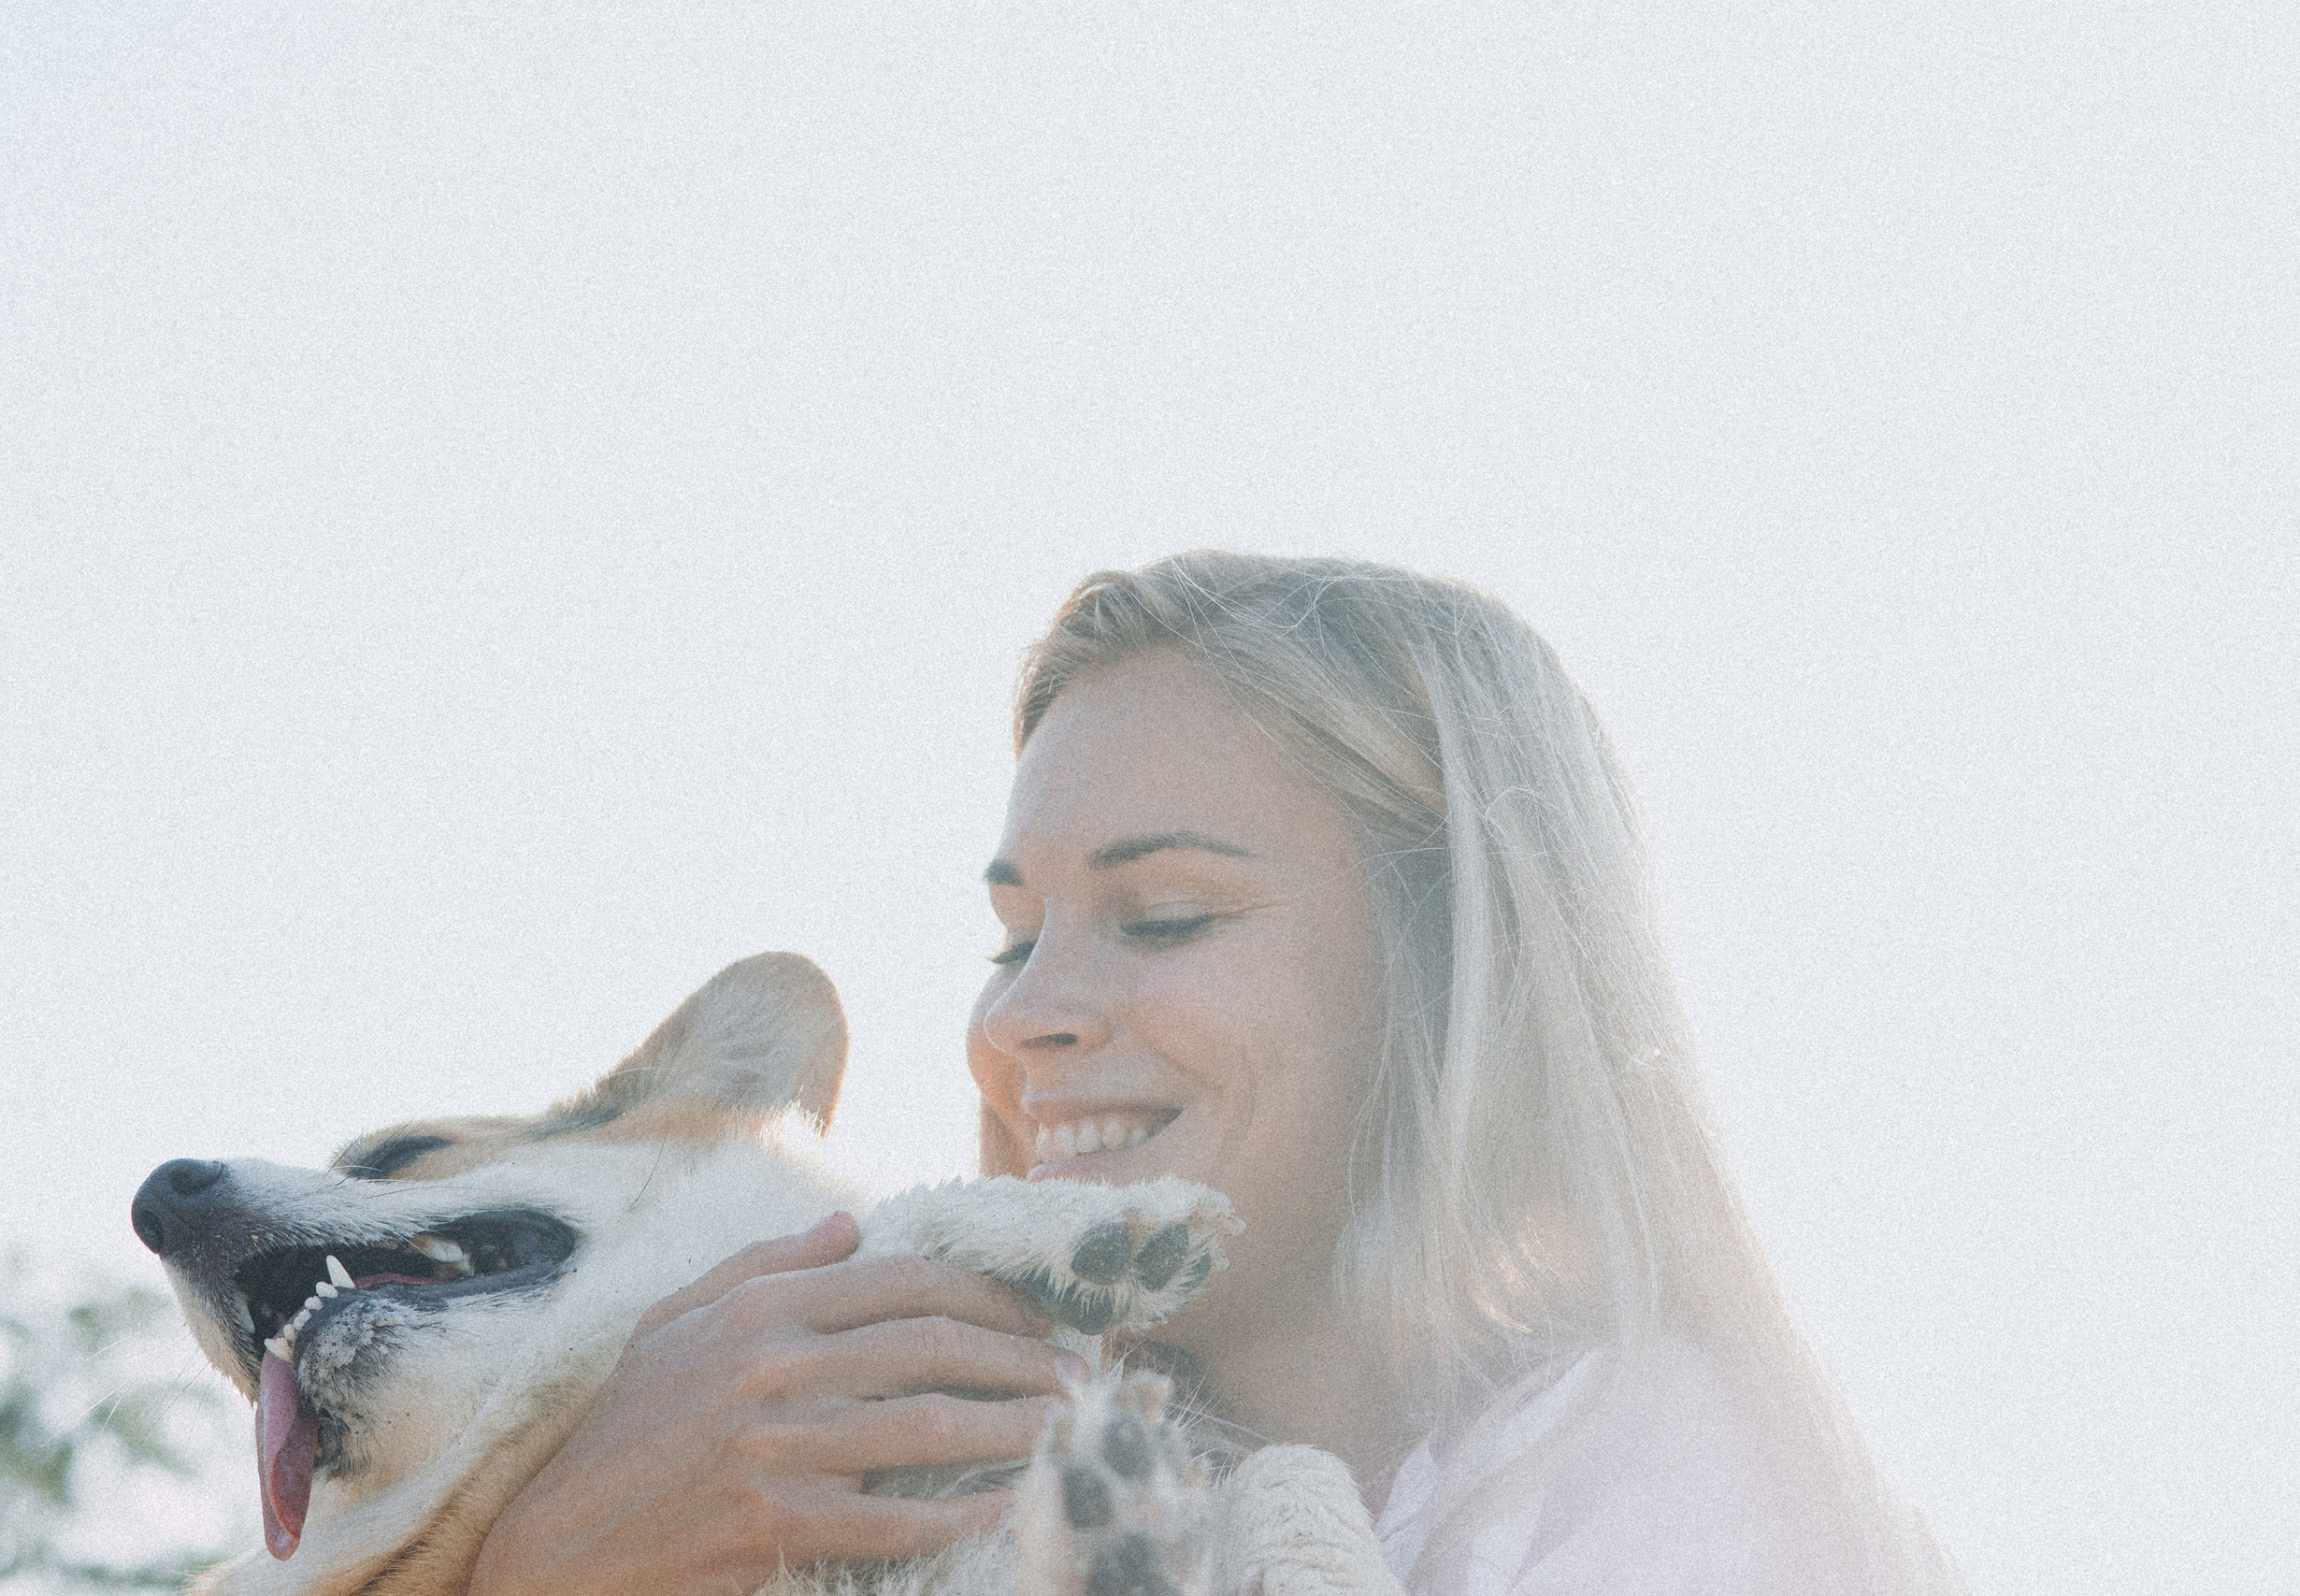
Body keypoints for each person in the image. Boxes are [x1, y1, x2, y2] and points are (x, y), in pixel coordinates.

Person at [471, 553, 1960, 1596]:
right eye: (1011, 938)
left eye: (1163, 916)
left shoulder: (1681, 1493)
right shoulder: (901, 1482)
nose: (1023, 1021)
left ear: (1454, 980)